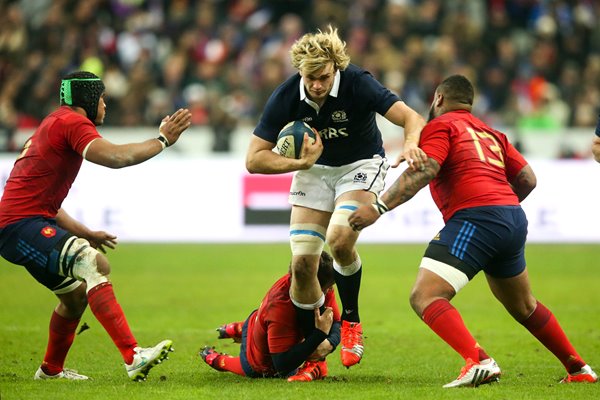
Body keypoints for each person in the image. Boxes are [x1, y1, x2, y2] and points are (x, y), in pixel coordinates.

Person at [348, 75, 597, 387]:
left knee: (425, 296)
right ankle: (579, 368)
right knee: (524, 306)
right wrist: (500, 205)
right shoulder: (492, 132)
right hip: (512, 218)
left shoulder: (440, 126)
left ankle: (478, 360)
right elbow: (528, 179)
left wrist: (377, 208)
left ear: (437, 99)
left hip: (477, 217)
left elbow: (426, 168)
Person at [245, 25, 426, 368]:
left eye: (324, 76)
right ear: (300, 71)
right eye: (310, 77)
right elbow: (254, 158)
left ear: (335, 69)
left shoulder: (357, 82)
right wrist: (300, 162)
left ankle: (352, 322)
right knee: (301, 265)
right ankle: (314, 340)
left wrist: (412, 141)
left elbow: (410, 117)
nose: (316, 84)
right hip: (314, 171)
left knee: (340, 239)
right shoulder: (286, 96)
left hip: (359, 165)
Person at [0, 71, 192, 381]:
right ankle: (133, 356)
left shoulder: (53, 122)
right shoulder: (72, 123)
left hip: (22, 223)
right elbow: (117, 158)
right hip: (20, 226)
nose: (105, 104)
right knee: (93, 262)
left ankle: (50, 371)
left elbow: (42, 201)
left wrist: (85, 233)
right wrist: (163, 140)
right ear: (87, 100)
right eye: (101, 98)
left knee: (74, 299)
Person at [199, 251, 341, 382]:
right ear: (314, 286)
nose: (329, 290)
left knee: (315, 322)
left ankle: (237, 328)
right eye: (328, 287)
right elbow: (282, 365)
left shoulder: (307, 279)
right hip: (260, 359)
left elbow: (337, 322)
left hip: (259, 321)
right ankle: (217, 360)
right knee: (256, 370)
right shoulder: (279, 307)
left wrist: (330, 343)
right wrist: (319, 335)